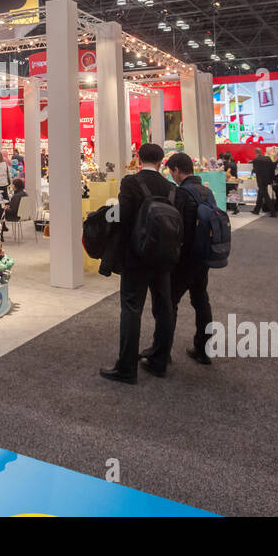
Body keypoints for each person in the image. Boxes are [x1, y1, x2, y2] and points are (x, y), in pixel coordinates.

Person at [100, 143, 175, 384]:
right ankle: (160, 360)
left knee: (132, 308)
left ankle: (126, 367)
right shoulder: (171, 187)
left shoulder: (130, 183)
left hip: (136, 255)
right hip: (164, 257)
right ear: (162, 162)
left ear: (138, 158)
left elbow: (123, 218)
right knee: (164, 307)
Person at [138, 153, 215, 368]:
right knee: (201, 302)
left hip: (184, 259)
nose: (172, 176)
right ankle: (203, 349)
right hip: (203, 257)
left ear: (177, 171)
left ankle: (161, 353)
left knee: (168, 304)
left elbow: (175, 227)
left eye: (172, 172)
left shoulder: (182, 194)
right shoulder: (206, 192)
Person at [250, 147, 275, 215]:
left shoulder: (255, 159)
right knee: (260, 194)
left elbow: (256, 170)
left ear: (255, 153)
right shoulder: (268, 158)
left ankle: (273, 211)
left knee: (265, 195)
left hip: (260, 180)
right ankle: (256, 210)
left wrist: (253, 171)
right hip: (267, 179)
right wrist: (272, 179)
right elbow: (272, 168)